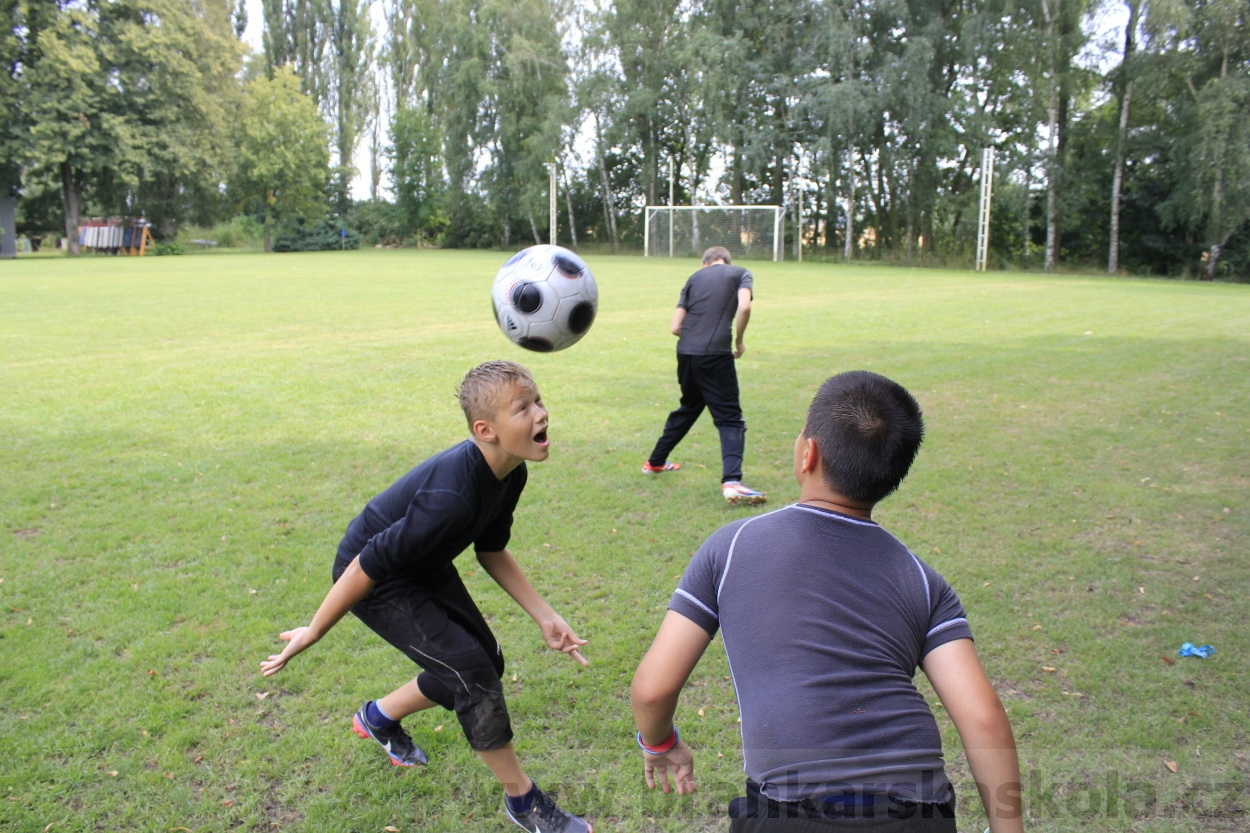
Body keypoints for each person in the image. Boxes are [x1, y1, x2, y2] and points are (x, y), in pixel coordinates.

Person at [630, 370, 1024, 833]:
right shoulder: (922, 579)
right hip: (919, 811)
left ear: (808, 454)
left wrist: (659, 744)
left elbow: (653, 689)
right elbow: (983, 720)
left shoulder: (731, 547)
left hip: (792, 812)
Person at [260, 361, 593, 833]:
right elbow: (364, 564)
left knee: (482, 664)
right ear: (486, 430)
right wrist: (314, 630)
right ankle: (524, 801)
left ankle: (377, 717)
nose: (540, 414)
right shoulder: (451, 495)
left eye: (538, 401)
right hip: (377, 580)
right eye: (523, 408)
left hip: (424, 566)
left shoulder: (511, 473)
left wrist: (545, 615)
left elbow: (491, 548)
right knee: (471, 673)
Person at [643, 245, 766, 505]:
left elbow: (675, 327)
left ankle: (654, 463)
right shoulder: (741, 273)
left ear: (704, 263)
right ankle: (732, 482)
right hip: (715, 355)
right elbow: (744, 307)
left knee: (689, 407)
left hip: (686, 353)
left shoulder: (693, 278)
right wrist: (740, 342)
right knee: (730, 418)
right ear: (727, 261)